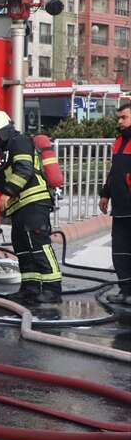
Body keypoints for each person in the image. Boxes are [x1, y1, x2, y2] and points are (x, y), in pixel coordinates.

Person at [0, 110, 61, 305]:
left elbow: (24, 169)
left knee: (38, 246)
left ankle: (52, 290)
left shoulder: (19, 142)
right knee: (23, 248)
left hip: (34, 203)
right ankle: (29, 289)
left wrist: (7, 193)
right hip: (21, 207)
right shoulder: (6, 151)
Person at [98, 102, 131, 304]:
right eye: (118, 118)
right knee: (120, 251)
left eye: (124, 117)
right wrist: (105, 194)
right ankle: (125, 291)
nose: (119, 121)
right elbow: (114, 172)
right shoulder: (119, 141)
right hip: (120, 208)